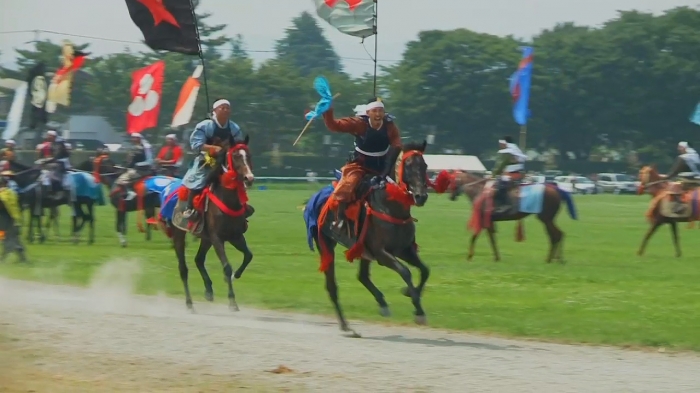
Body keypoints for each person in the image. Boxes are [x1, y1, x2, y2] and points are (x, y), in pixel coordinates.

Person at [322, 97, 402, 232]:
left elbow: (397, 144)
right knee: (348, 185)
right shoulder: (359, 124)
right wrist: (328, 110)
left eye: (381, 111)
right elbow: (334, 126)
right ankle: (340, 219)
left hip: (384, 166)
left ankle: (402, 221)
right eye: (375, 111)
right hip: (360, 165)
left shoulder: (390, 126)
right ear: (368, 112)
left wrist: (387, 170)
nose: (378, 114)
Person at [182, 98, 254, 220]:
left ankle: (242, 206)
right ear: (215, 110)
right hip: (206, 159)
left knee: (238, 178)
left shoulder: (233, 127)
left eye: (228, 108)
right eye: (222, 107)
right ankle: (189, 208)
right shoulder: (205, 125)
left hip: (227, 160)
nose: (225, 110)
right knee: (199, 178)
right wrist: (214, 148)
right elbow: (196, 144)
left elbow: (238, 144)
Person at [492, 136, 527, 212]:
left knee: (500, 185)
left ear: (504, 143)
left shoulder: (507, 152)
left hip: (512, 175)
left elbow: (500, 165)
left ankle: (505, 204)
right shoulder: (515, 150)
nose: (500, 145)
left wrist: (493, 175)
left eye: (500, 143)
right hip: (517, 173)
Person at [115, 133, 153, 199]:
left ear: (139, 138)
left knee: (120, 181)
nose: (133, 139)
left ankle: (130, 192)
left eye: (135, 137)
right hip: (134, 168)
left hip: (142, 169)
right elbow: (129, 160)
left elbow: (149, 160)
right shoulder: (134, 147)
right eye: (132, 138)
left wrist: (137, 164)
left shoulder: (146, 147)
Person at [36, 130, 72, 199]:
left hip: (61, 163)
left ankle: (58, 190)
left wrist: (46, 161)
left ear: (53, 136)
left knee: (53, 175)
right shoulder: (53, 143)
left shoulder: (59, 143)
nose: (47, 137)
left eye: (49, 136)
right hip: (56, 162)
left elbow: (56, 156)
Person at [0, 172, 26, 262]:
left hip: (4, 222)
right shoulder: (11, 192)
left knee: (7, 239)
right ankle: (22, 258)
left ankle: (5, 257)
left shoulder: (3, 194)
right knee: (12, 239)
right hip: (14, 220)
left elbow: (2, 205)